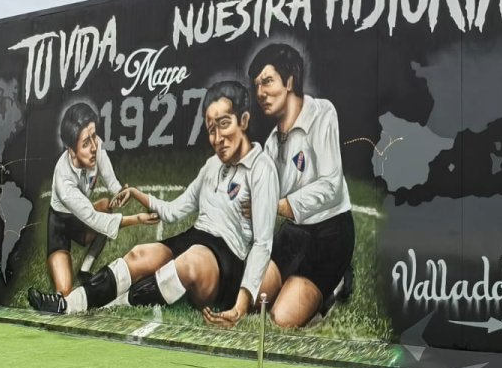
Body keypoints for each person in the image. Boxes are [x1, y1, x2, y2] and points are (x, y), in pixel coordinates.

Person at [28, 81, 279, 327]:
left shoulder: (261, 168)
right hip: (196, 237)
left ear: (243, 121)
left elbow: (262, 244)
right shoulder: (212, 166)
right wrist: (137, 194)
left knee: (191, 261)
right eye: (211, 128)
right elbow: (174, 211)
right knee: (141, 254)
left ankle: (114, 304)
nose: (217, 137)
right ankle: (66, 306)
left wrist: (241, 306)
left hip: (227, 260)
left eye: (224, 124)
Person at [248, 43, 355, 328]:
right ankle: (295, 284)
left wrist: (280, 205)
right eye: (257, 84)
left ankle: (335, 284)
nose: (260, 92)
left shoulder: (322, 113)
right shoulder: (271, 144)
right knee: (252, 299)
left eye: (267, 81)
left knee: (281, 318)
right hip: (294, 234)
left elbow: (331, 185)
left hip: (330, 233)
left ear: (290, 81)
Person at [44, 102, 155, 297]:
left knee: (105, 205)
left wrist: (121, 192)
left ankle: (85, 270)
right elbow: (95, 220)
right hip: (60, 224)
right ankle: (62, 261)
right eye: (86, 143)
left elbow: (111, 181)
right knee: (64, 292)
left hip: (80, 218)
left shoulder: (97, 147)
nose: (94, 147)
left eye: (94, 136)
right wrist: (137, 219)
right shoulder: (64, 180)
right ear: (71, 150)